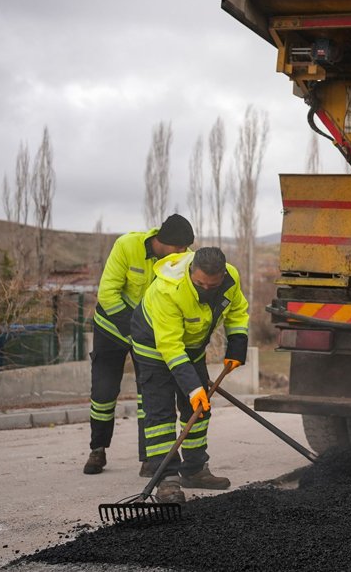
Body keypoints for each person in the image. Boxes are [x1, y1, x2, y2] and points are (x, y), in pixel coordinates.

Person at [130, 246, 249, 504]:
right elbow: (170, 346)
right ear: (191, 271)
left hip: (193, 347)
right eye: (199, 284)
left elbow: (238, 310)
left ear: (221, 276)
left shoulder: (231, 278)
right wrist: (193, 388)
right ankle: (167, 480)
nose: (205, 290)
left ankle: (195, 470)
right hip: (154, 347)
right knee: (160, 414)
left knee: (199, 410)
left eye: (212, 285)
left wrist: (237, 344)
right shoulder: (168, 290)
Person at [83, 214, 195, 476]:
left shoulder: (182, 259)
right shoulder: (127, 246)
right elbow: (108, 294)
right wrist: (135, 329)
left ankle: (150, 458)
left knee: (151, 394)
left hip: (148, 336)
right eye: (180, 248)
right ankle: (98, 449)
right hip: (112, 329)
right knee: (103, 391)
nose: (183, 253)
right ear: (163, 241)